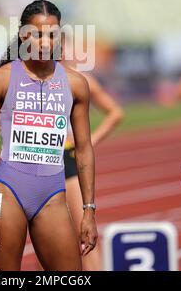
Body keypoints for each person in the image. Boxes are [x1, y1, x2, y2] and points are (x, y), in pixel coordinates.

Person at [0, 0, 98, 271]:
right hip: (8, 190)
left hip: (52, 194)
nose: (45, 42)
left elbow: (85, 148)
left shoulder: (76, 84)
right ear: (23, 36)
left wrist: (89, 210)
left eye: (52, 34)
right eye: (37, 34)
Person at [62, 34, 124, 271]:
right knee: (44, 242)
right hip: (38, 163)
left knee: (84, 237)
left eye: (60, 44)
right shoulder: (33, 82)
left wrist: (89, 141)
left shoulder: (80, 80)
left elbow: (115, 112)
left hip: (67, 161)